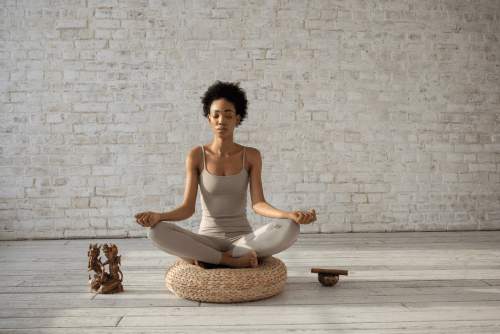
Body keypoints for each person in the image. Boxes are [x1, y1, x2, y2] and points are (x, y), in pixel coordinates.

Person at [134, 80, 316, 269]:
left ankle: (212, 258)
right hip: (206, 240)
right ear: (209, 119)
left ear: (237, 119)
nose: (221, 121)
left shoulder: (251, 155)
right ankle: (229, 260)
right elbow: (187, 208)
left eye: (228, 116)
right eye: (216, 116)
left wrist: (288, 215)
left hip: (244, 240)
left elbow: (258, 203)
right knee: (155, 232)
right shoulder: (196, 155)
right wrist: (158, 216)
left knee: (291, 227)